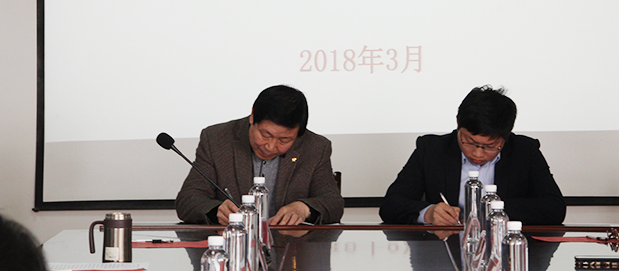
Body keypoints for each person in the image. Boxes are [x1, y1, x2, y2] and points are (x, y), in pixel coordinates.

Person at [379, 86, 566, 226]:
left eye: (491, 146)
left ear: (506, 136)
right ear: (458, 123)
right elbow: (391, 205)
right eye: (468, 142)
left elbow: (554, 208)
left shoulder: (525, 151)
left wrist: (492, 210)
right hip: (444, 253)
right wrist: (428, 213)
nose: (478, 153)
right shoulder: (432, 149)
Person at [175, 85, 344, 226]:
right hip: (233, 246)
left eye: (284, 140)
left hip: (293, 248)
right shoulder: (216, 139)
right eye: (265, 135)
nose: (270, 147)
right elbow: (188, 200)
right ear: (253, 116)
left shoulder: (316, 147)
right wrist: (216, 211)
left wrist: (304, 209)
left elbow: (333, 203)